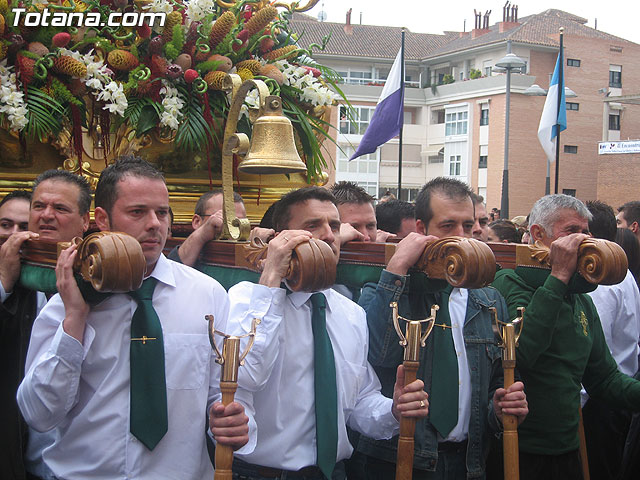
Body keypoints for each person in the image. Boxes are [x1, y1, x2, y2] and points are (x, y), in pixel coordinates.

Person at [17, 157, 250, 480]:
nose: (155, 224)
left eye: (162, 212)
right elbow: (38, 414)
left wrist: (229, 419)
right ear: (102, 218)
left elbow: (218, 393)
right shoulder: (68, 300)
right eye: (138, 212)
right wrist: (75, 320)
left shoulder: (207, 295)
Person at [225, 186, 430, 480]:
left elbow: (359, 401)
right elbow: (245, 375)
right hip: (263, 474)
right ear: (280, 238)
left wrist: (394, 410)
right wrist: (271, 275)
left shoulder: (350, 314)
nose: (330, 235)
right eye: (313, 226)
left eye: (334, 226)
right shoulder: (245, 299)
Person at [355, 177, 528, 480]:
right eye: (448, 227)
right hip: (398, 461)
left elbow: (494, 386)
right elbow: (378, 354)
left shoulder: (489, 300)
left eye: (468, 225)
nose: (462, 238)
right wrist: (397, 271)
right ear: (421, 230)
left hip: (468, 463)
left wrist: (500, 409)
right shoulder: (386, 287)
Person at [492, 194, 640, 480]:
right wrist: (558, 276)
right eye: (572, 231)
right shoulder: (508, 282)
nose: (584, 241)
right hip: (516, 450)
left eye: (586, 232)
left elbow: (604, 379)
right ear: (538, 234)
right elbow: (522, 354)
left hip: (569, 451)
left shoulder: (580, 298)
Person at [1, 172, 91, 480]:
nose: (47, 216)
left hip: (84, 462)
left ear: (86, 221)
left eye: (60, 208)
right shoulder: (10, 280)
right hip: (17, 457)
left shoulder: (104, 277)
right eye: (39, 207)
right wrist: (4, 284)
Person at [582, 200, 640, 480]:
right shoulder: (620, 270)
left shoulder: (601, 276)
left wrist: (577, 403)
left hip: (601, 399)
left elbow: (593, 347)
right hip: (614, 393)